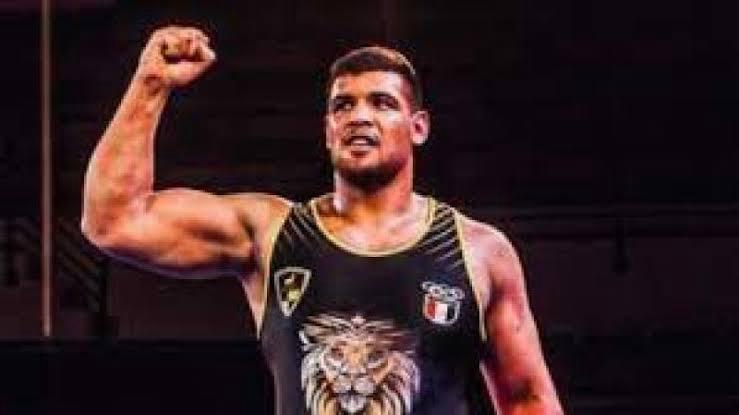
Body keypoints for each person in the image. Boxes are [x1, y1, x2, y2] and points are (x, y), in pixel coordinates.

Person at [81, 26, 563, 415]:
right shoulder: (272, 233)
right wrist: (150, 85)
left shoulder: (478, 251)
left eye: (382, 103)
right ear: (328, 131)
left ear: (418, 128)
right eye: (343, 105)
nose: (359, 116)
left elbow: (528, 400)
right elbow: (112, 220)